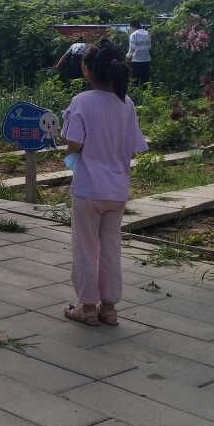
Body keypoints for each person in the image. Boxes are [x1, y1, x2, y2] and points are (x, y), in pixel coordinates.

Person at [60, 43, 148, 327]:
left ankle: (87, 308)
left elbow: (75, 144)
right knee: (111, 248)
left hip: (89, 190)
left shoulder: (82, 101)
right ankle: (109, 308)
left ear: (86, 70)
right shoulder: (126, 103)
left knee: (85, 248)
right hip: (117, 190)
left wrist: (67, 157)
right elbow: (134, 145)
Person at [126, 19, 152, 86]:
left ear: (132, 26)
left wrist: (127, 57)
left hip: (137, 60)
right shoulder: (147, 34)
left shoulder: (133, 35)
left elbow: (132, 48)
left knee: (136, 81)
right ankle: (146, 92)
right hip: (146, 59)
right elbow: (149, 46)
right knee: (145, 80)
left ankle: (136, 92)